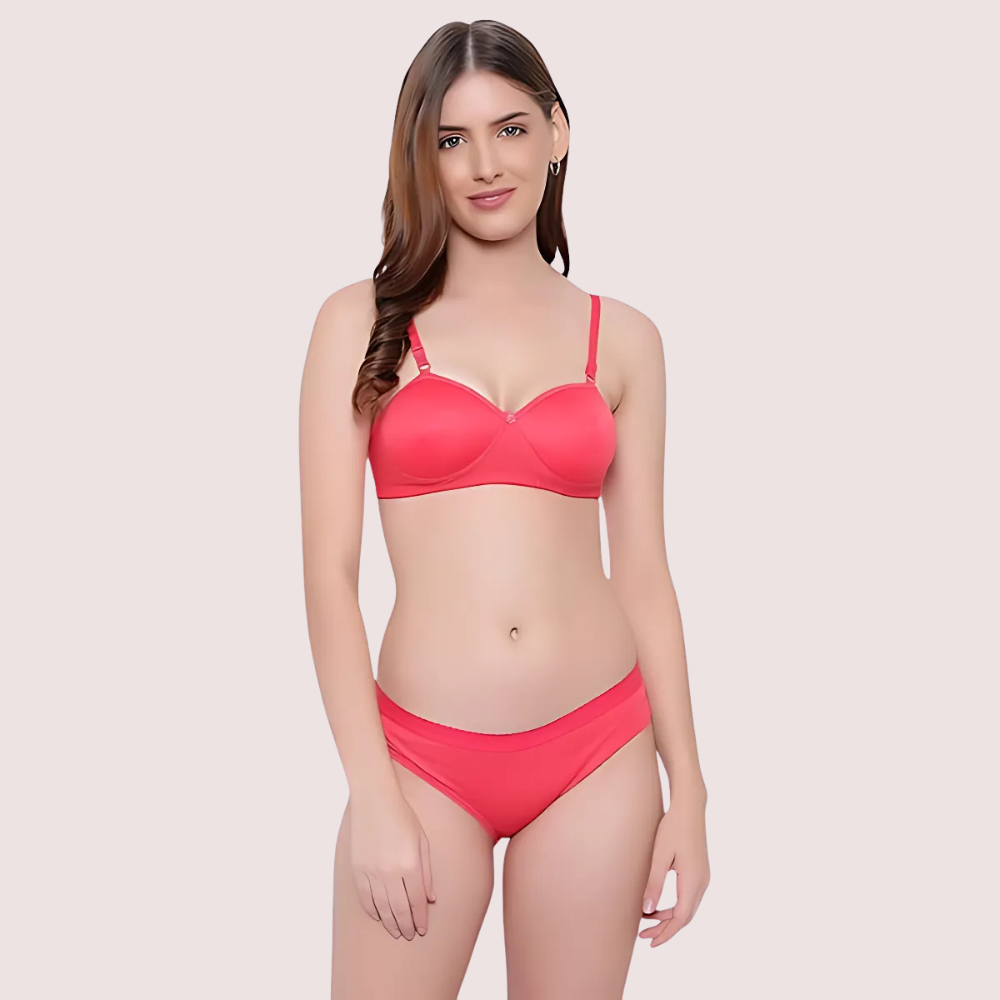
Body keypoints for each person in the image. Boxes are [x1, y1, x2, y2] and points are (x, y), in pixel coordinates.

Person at [299, 19, 710, 999]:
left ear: (557, 133)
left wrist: (689, 788)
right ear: (422, 157)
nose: (485, 163)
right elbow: (328, 575)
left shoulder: (625, 339)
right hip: (421, 760)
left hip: (599, 752)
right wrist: (371, 791)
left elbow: (643, 575)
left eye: (511, 128)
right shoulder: (361, 323)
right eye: (452, 139)